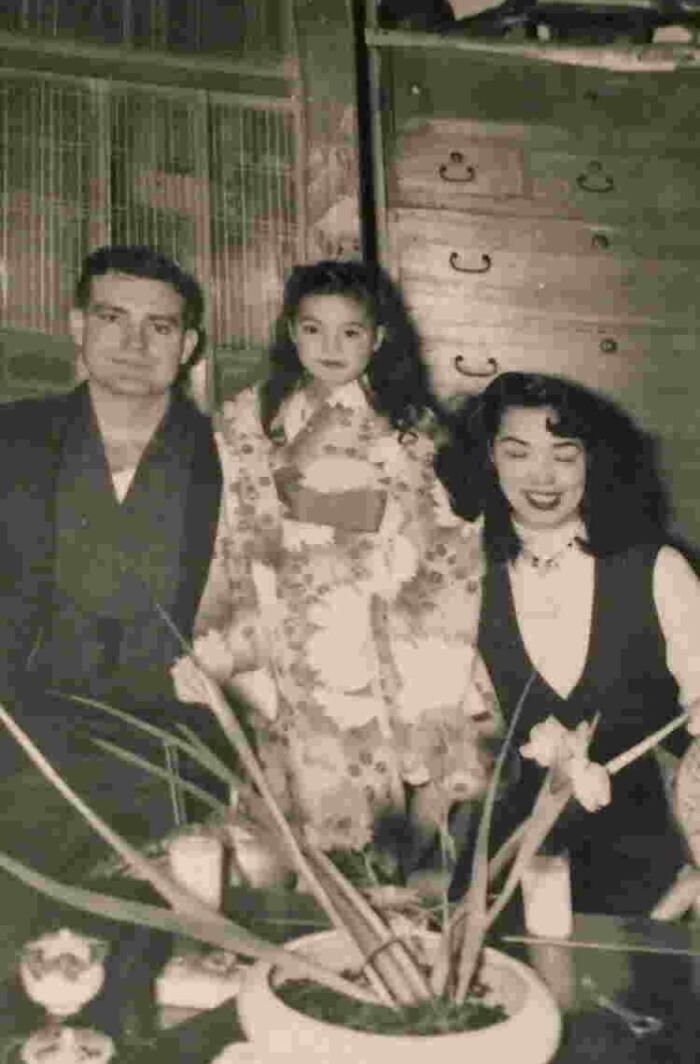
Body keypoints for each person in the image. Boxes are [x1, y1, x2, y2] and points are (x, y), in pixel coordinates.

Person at [174, 259, 500, 879]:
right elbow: (233, 529)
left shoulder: (411, 427)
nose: (331, 347)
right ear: (291, 333)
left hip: (377, 633)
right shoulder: (248, 420)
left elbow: (445, 543)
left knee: (377, 824)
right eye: (313, 329)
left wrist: (376, 544)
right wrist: (229, 634)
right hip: (275, 625)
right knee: (281, 804)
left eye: (350, 332)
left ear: (377, 339)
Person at [0, 244, 230, 874]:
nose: (134, 342)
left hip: (172, 761)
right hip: (20, 751)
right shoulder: (10, 437)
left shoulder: (231, 457)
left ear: (187, 346)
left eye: (158, 326)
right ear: (77, 325)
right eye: (111, 318)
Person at [437, 371, 700, 913]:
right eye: (518, 453)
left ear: (592, 462)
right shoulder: (463, 573)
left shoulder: (656, 568)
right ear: (488, 459)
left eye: (564, 453)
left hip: (645, 863)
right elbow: (457, 737)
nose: (543, 475)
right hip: (507, 862)